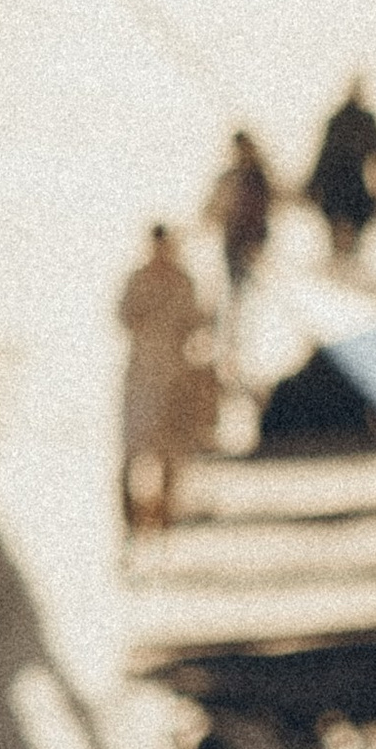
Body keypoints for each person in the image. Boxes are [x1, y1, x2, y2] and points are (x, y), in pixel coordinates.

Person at [116, 227, 212, 534]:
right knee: (134, 449)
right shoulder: (138, 279)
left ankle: (166, 513)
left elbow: (196, 323)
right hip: (142, 376)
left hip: (174, 377)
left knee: (171, 450)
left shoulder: (183, 281)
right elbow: (124, 317)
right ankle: (130, 519)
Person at [308, 79, 376, 262]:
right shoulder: (343, 120)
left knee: (348, 223)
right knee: (344, 223)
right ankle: (342, 259)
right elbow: (324, 155)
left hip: (348, 185)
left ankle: (345, 259)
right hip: (341, 184)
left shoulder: (359, 121)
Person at [203, 130, 273, 304]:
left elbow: (274, 200)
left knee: (257, 290)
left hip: (255, 242)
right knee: (237, 291)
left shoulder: (260, 179)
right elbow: (213, 209)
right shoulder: (231, 178)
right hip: (235, 241)